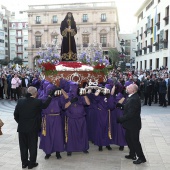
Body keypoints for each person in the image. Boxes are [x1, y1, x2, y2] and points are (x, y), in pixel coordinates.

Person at [13, 86, 53, 169]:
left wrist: (20, 123)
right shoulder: (37, 102)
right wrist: (49, 97)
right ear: (35, 93)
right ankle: (32, 163)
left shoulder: (20, 101)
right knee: (32, 146)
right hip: (33, 128)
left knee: (23, 146)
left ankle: (24, 163)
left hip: (22, 128)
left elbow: (15, 115)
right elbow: (45, 106)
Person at [117, 84, 146, 165]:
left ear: (133, 90)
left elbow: (131, 114)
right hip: (130, 124)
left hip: (133, 124)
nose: (127, 88)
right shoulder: (132, 96)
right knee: (128, 139)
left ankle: (141, 158)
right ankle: (132, 154)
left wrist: (120, 119)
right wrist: (122, 106)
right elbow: (129, 107)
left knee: (135, 141)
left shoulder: (134, 98)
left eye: (128, 88)